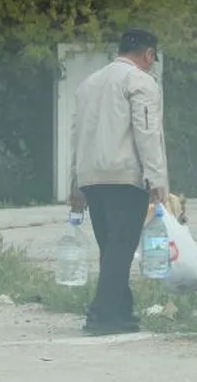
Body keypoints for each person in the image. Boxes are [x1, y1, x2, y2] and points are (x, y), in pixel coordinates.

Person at [67, 28, 169, 335]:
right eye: (153, 58)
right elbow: (146, 131)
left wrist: (75, 184)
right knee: (121, 247)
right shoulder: (140, 81)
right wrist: (156, 177)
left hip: (91, 178)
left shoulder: (88, 84)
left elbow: (76, 135)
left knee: (111, 248)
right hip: (125, 176)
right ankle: (99, 315)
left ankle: (122, 313)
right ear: (148, 54)